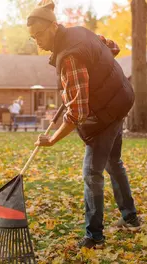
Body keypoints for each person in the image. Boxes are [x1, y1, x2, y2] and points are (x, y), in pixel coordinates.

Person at [28, 0, 141, 249]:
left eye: (39, 35)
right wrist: (99, 58)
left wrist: (53, 139)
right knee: (113, 161)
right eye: (32, 37)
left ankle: (94, 237)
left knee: (92, 173)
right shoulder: (81, 32)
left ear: (54, 26)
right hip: (122, 98)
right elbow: (113, 46)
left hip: (108, 111)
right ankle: (131, 218)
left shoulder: (70, 58)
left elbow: (78, 112)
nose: (36, 42)